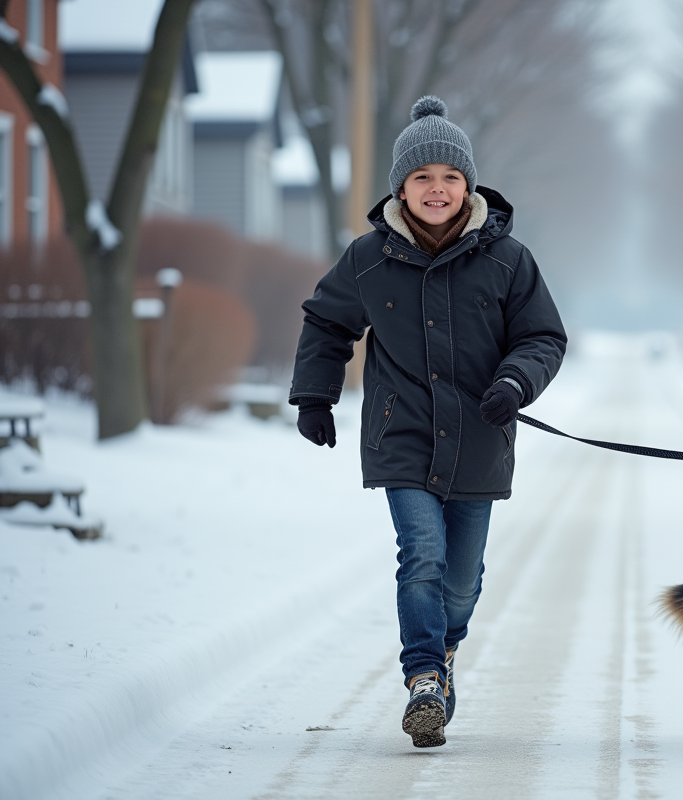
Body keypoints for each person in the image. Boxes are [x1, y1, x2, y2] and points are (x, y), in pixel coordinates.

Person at [288, 96, 567, 748]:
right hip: (401, 434)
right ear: (401, 188)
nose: (436, 189)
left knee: (461, 583)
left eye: (449, 177)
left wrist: (515, 382)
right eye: (422, 178)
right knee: (421, 556)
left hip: (479, 437)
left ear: (468, 184)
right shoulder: (368, 258)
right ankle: (423, 679)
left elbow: (542, 337)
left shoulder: (508, 260)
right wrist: (314, 396)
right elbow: (328, 322)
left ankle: (443, 655)